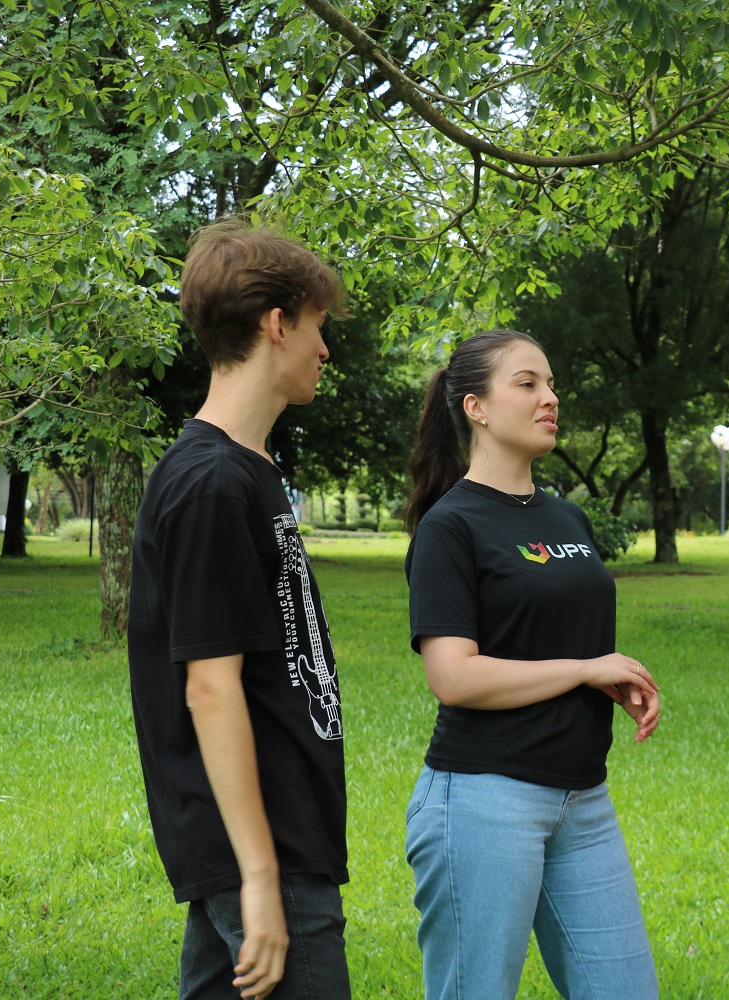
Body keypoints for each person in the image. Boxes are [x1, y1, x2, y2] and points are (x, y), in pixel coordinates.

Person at [127, 218, 351, 1000]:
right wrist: (260, 878)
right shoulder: (211, 484)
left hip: (277, 840)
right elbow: (210, 687)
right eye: (318, 328)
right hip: (267, 851)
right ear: (277, 322)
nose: (325, 350)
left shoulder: (250, 473)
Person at [401, 329, 662, 1000]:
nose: (550, 398)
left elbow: (546, 634)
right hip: (484, 799)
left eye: (551, 385)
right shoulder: (450, 527)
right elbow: (453, 676)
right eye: (528, 384)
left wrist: (607, 681)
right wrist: (582, 670)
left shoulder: (567, 518)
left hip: (582, 798)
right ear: (476, 407)